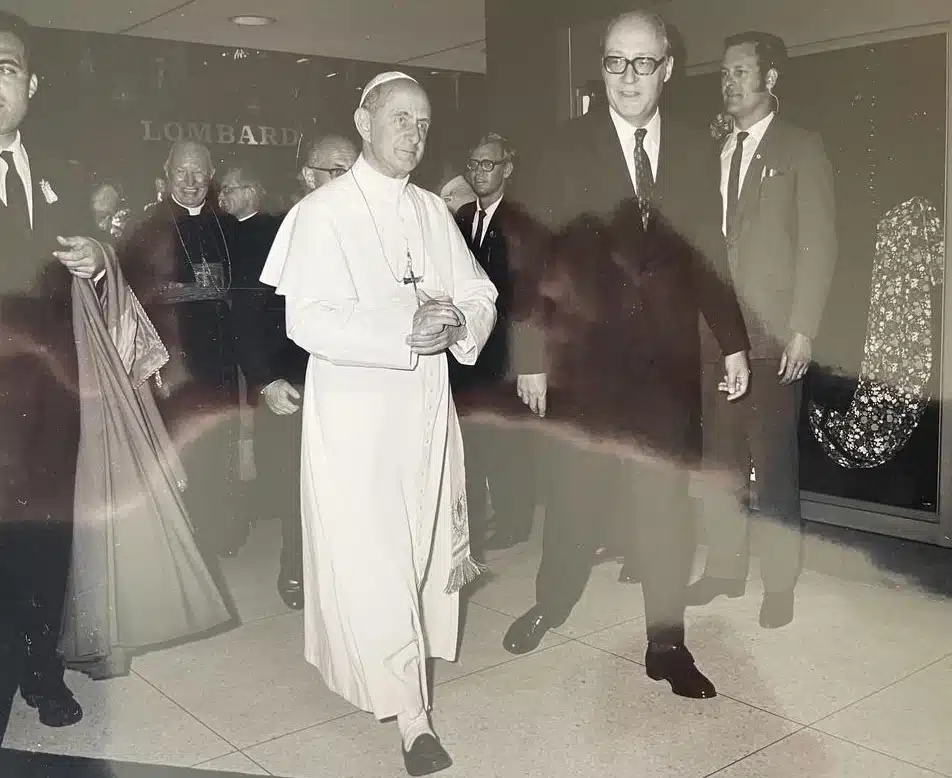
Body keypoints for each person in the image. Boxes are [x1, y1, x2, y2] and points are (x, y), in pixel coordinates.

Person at [500, 10, 751, 700]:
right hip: (583, 363)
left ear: (667, 68)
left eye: (643, 62)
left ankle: (666, 646)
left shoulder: (695, 149)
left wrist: (732, 340)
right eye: (615, 62)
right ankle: (553, 598)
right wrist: (530, 354)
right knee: (573, 496)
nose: (628, 77)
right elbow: (531, 259)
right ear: (602, 69)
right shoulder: (561, 147)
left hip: (665, 367)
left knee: (664, 505)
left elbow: (707, 254)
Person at [260, 72, 497, 776]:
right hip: (356, 415)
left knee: (421, 552)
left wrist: (459, 321)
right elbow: (307, 320)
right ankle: (414, 719)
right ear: (364, 123)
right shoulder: (323, 212)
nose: (414, 134)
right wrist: (403, 333)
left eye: (423, 123)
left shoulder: (430, 210)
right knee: (380, 562)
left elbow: (479, 290)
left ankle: (405, 681)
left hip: (425, 409)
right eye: (400, 119)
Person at [688, 31, 837, 628]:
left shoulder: (801, 146)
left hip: (774, 336)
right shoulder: (714, 148)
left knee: (774, 464)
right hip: (715, 334)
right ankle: (724, 569)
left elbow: (819, 244)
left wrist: (804, 328)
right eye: (724, 73)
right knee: (720, 460)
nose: (729, 83)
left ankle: (779, 584)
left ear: (770, 79)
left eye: (741, 72)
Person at [0, 10, 110, 729]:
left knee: (45, 540)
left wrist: (97, 260)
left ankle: (41, 668)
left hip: (50, 406)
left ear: (31, 85)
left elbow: (84, 270)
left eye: (6, 69)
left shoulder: (63, 176)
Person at [119, 140, 248, 558]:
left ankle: (217, 534)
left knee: (219, 446)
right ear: (167, 172)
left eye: (198, 173)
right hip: (172, 362)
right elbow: (135, 293)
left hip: (221, 359)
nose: (190, 182)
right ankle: (180, 546)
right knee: (178, 452)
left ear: (211, 175)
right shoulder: (147, 226)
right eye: (181, 172)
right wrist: (195, 290)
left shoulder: (226, 225)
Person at [222, 164, 310, 609]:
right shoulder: (278, 230)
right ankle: (295, 567)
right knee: (294, 477)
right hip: (289, 377)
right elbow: (247, 316)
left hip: (349, 379)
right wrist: (265, 379)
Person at [451, 133, 544, 552]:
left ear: (507, 168)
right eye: (472, 164)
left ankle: (514, 521)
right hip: (472, 349)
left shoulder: (524, 220)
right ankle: (484, 517)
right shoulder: (462, 216)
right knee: (475, 437)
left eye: (487, 164)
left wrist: (529, 358)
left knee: (508, 441)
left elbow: (531, 294)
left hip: (508, 349)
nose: (478, 172)